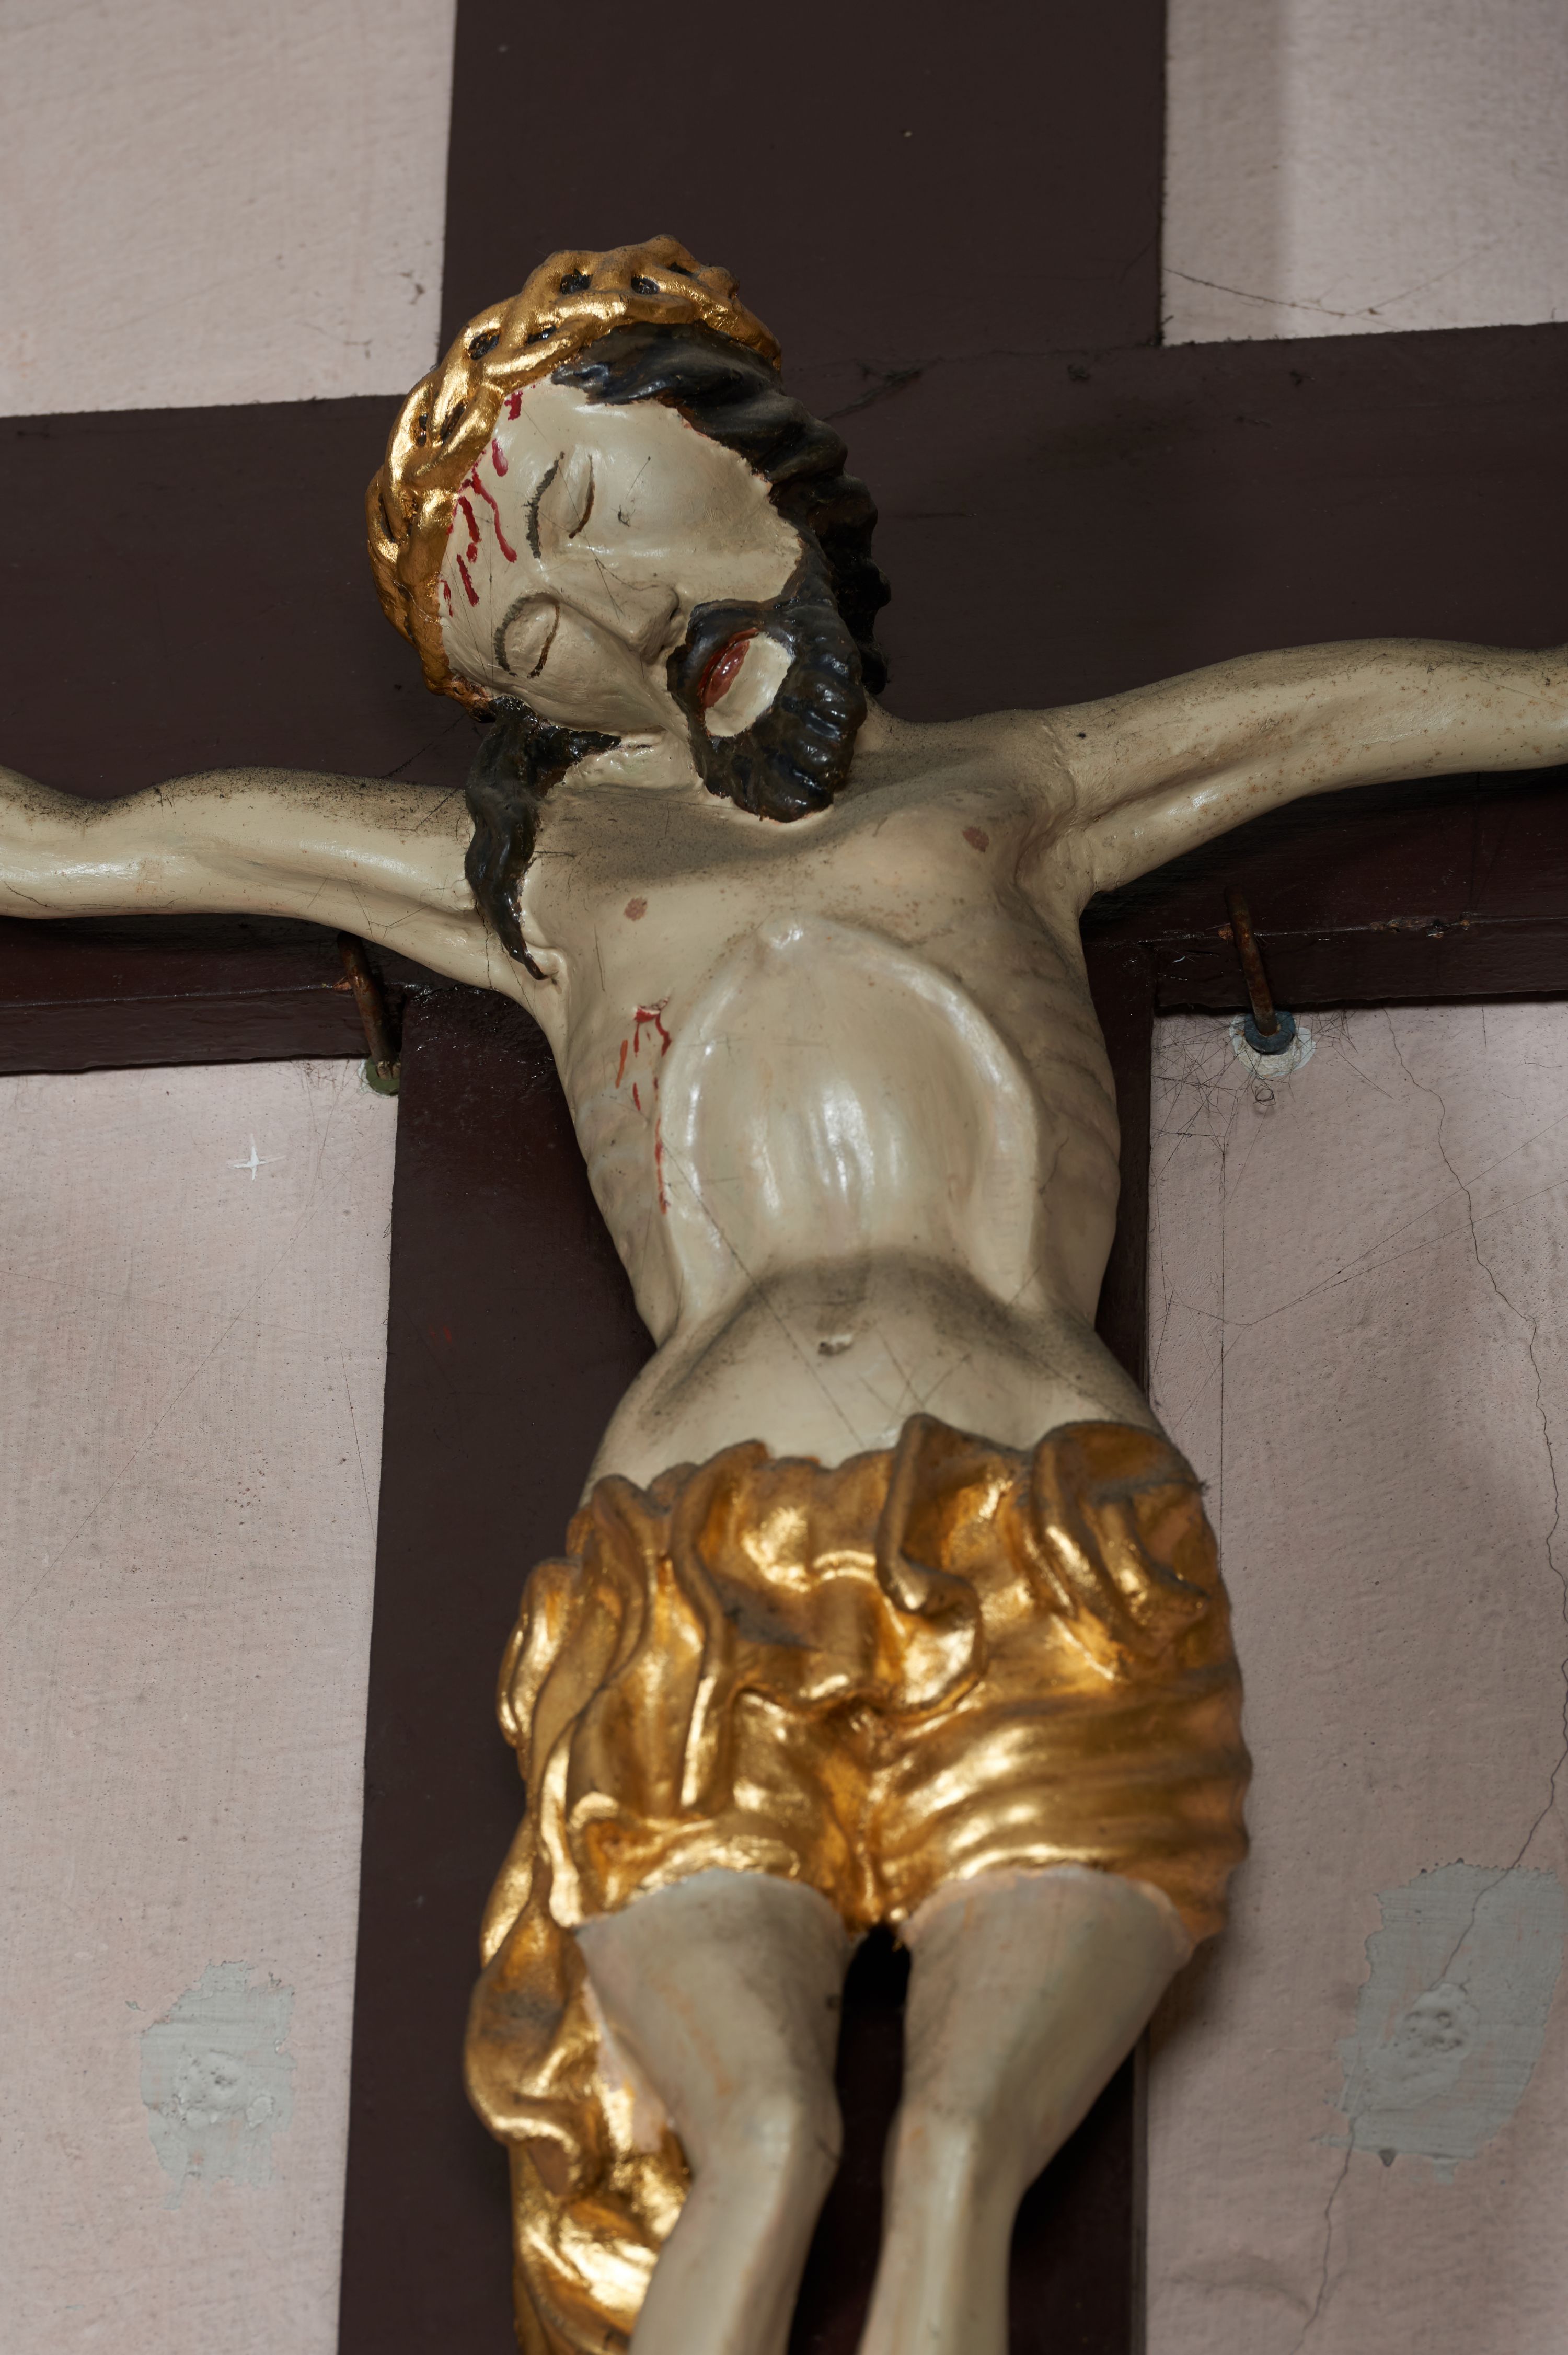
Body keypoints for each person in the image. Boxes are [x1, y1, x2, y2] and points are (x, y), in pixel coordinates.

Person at [3, 237, 1563, 2355]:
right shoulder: (552, 879)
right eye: (527, 641)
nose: (601, 621)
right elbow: (86, 846)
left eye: (583, 511)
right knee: (760, 2136)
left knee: (958, 2149)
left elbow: (1404, 708)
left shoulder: (1018, 785)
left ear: (743, 442)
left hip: (1044, 1530)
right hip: (689, 1568)